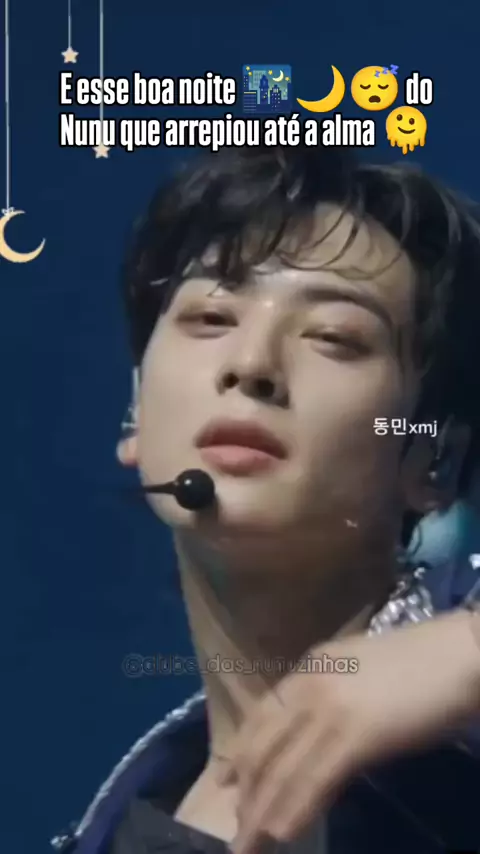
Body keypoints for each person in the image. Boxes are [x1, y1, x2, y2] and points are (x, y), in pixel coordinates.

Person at [52, 146, 480, 854]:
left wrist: (464, 657)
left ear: (433, 457)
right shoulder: (124, 826)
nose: (251, 366)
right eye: (211, 318)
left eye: (335, 337)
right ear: (135, 414)